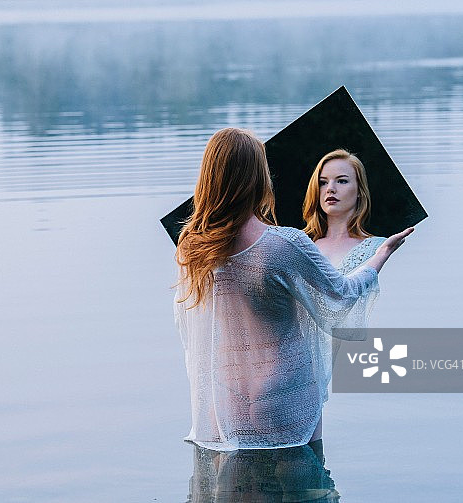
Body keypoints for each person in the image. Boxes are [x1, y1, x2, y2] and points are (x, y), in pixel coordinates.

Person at [172, 128, 412, 450]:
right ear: (258, 178)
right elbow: (340, 298)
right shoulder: (285, 244)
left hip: (223, 405)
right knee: (310, 490)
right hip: (283, 400)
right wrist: (381, 256)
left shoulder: (191, 248)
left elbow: (188, 324)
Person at [301, 149, 387, 426]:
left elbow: (348, 309)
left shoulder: (373, 247)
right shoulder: (302, 244)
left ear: (360, 191)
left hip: (326, 360)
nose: (331, 189)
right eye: (323, 182)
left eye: (341, 181)